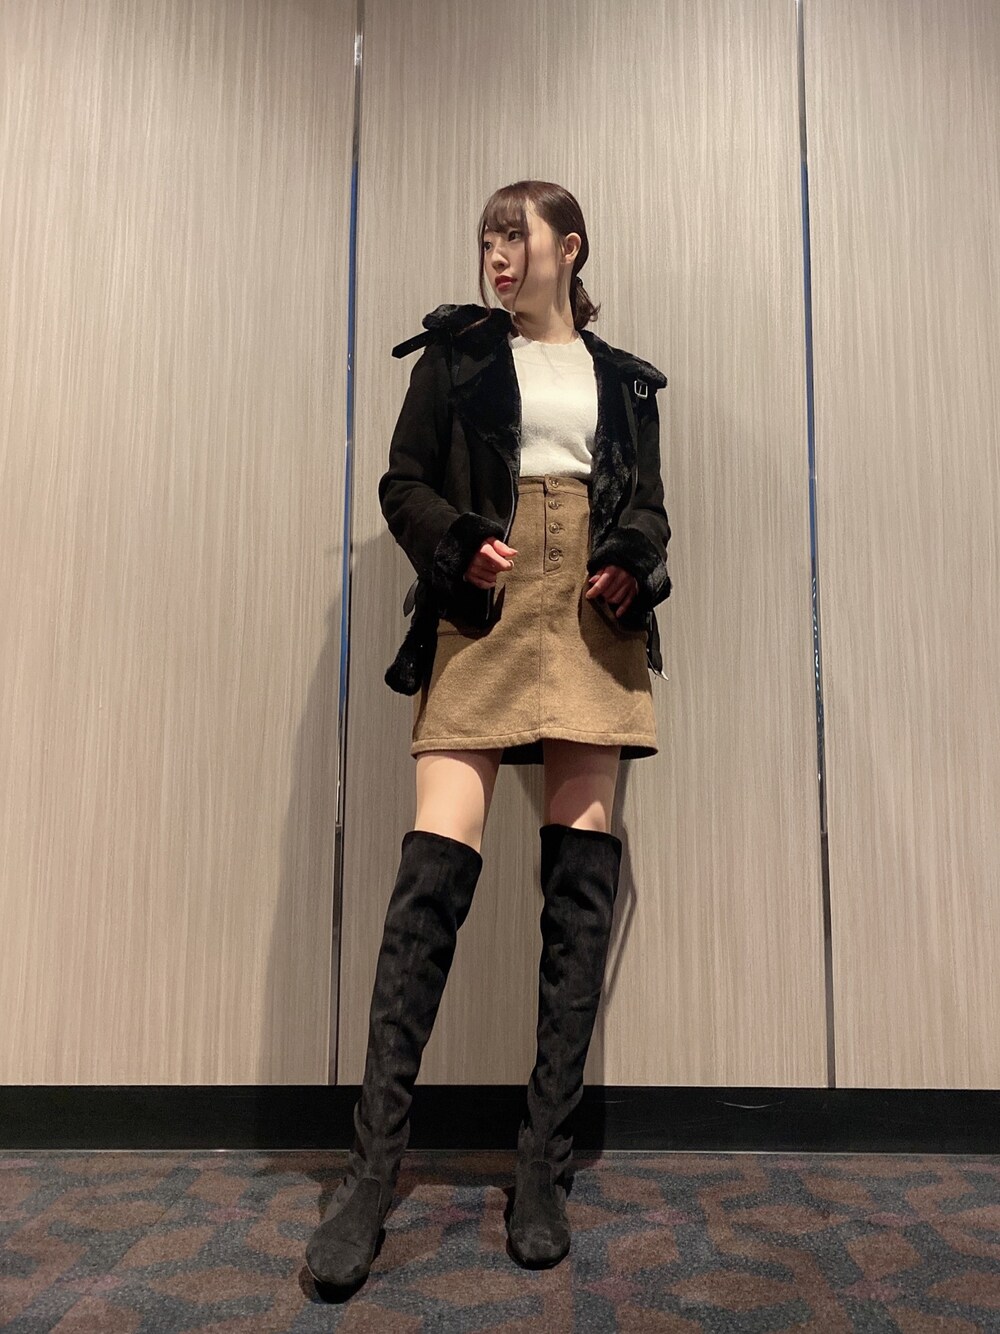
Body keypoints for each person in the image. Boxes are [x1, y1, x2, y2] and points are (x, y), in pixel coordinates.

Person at [305, 179, 672, 1293]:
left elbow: (650, 508)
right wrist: (457, 539)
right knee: (432, 876)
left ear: (571, 247)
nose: (497, 254)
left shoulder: (624, 380)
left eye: (516, 235)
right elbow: (402, 482)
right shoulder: (457, 358)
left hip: (591, 618)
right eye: (486, 238)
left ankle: (542, 1167)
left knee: (580, 884)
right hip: (483, 607)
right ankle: (371, 1173)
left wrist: (632, 558)